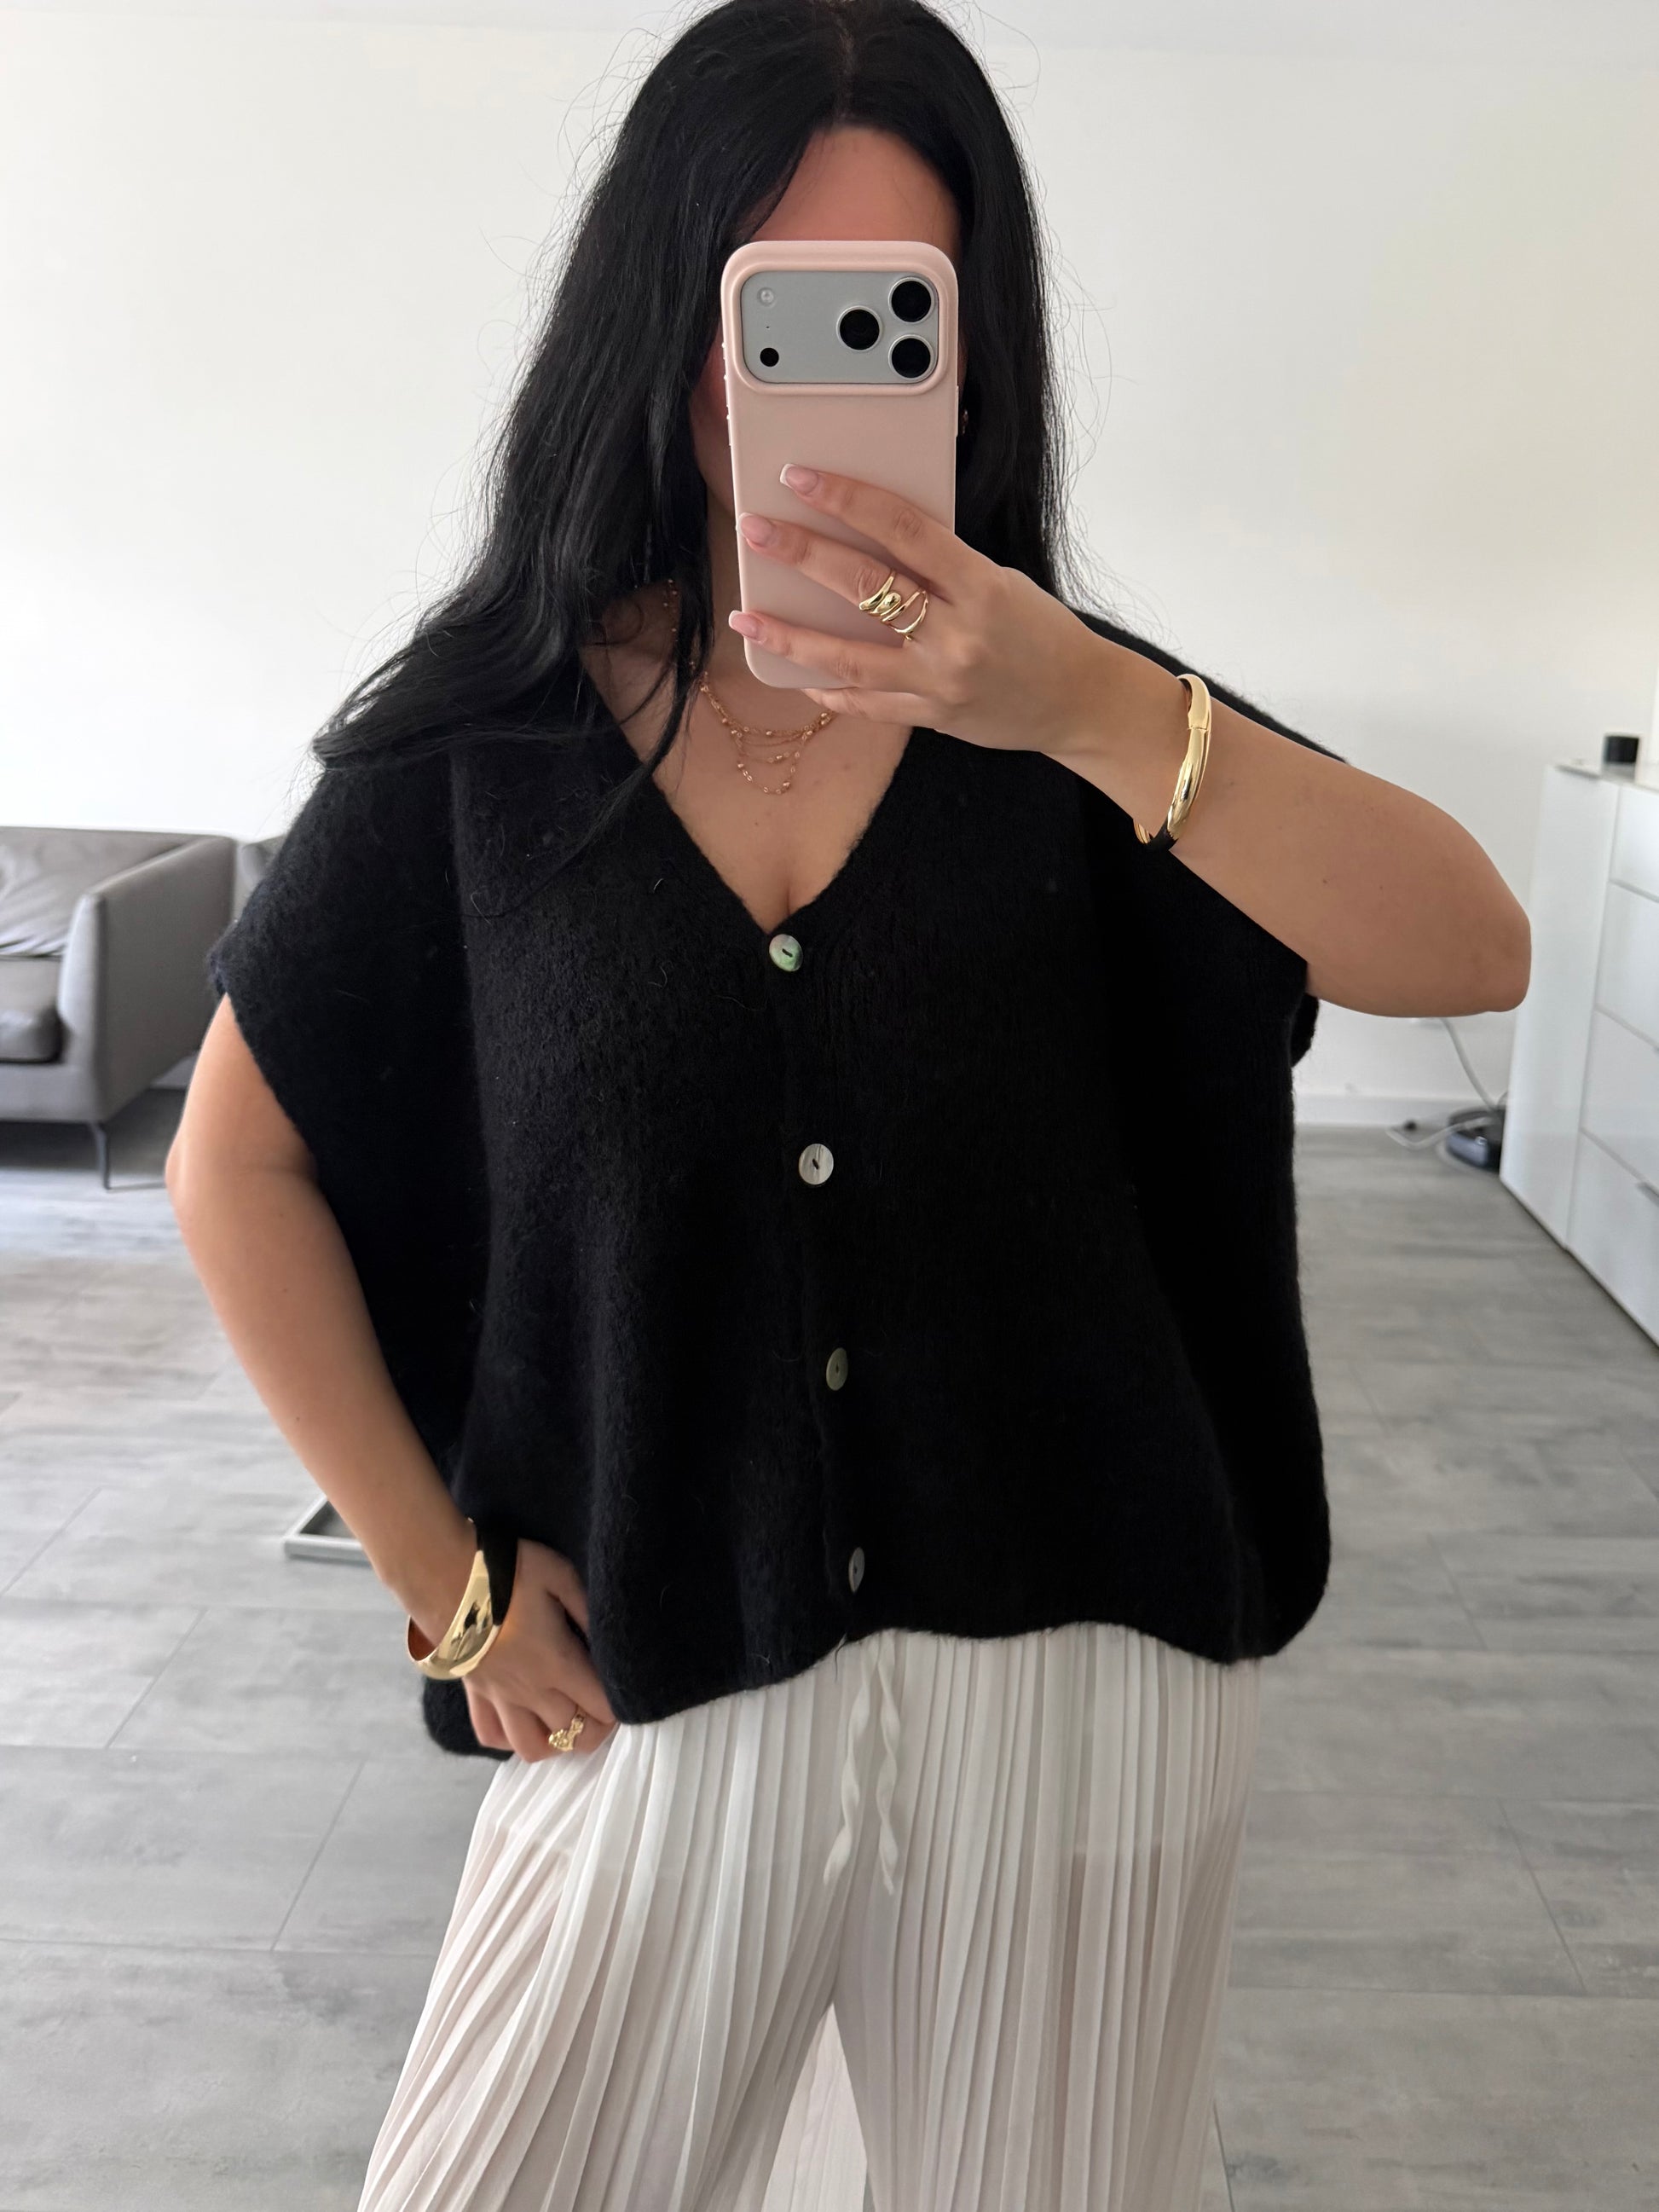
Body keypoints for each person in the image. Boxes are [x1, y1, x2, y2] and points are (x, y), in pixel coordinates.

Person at [165, 3, 1530, 2207]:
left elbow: (1469, 946)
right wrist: (439, 1575)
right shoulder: (488, 745)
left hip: (1084, 1700)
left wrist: (1083, 703)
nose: (808, 384)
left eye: (893, 310)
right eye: (765, 308)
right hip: (653, 1680)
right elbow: (240, 1159)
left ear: (974, 352)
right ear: (660, 315)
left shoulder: (1083, 727)